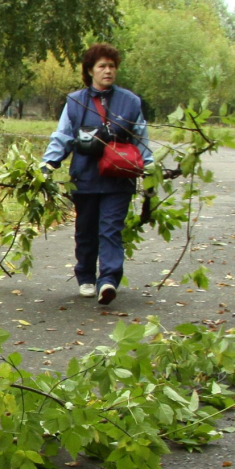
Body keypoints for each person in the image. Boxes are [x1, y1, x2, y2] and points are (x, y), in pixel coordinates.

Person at [40, 43, 151, 305]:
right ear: (90, 70)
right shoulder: (75, 101)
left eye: (112, 66)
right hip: (85, 177)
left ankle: (109, 280)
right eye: (102, 66)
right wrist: (47, 165)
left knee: (111, 229)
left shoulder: (131, 102)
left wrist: (150, 168)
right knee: (85, 229)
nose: (108, 71)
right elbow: (63, 135)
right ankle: (87, 277)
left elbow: (142, 138)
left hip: (118, 178)